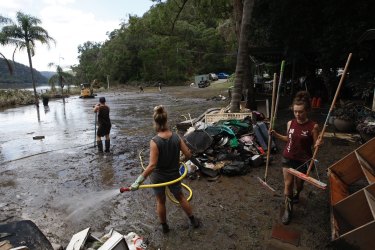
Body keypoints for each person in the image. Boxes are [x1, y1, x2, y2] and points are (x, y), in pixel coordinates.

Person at [129, 105, 200, 233]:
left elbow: (152, 165)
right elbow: (188, 155)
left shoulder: (155, 141)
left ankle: (165, 227)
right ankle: (193, 220)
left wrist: (139, 180)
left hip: (159, 177)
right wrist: (184, 161)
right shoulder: (177, 137)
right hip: (173, 175)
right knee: (180, 197)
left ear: (155, 122)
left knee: (161, 201)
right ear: (166, 120)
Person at [271, 91, 321, 225]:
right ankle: (288, 210)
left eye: (301, 112)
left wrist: (318, 144)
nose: (298, 114)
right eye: (295, 111)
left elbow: (316, 147)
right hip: (288, 157)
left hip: (304, 160)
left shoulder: (313, 127)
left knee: (299, 185)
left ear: (307, 111)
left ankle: (297, 194)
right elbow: (288, 139)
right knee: (288, 184)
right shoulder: (290, 123)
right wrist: (276, 135)